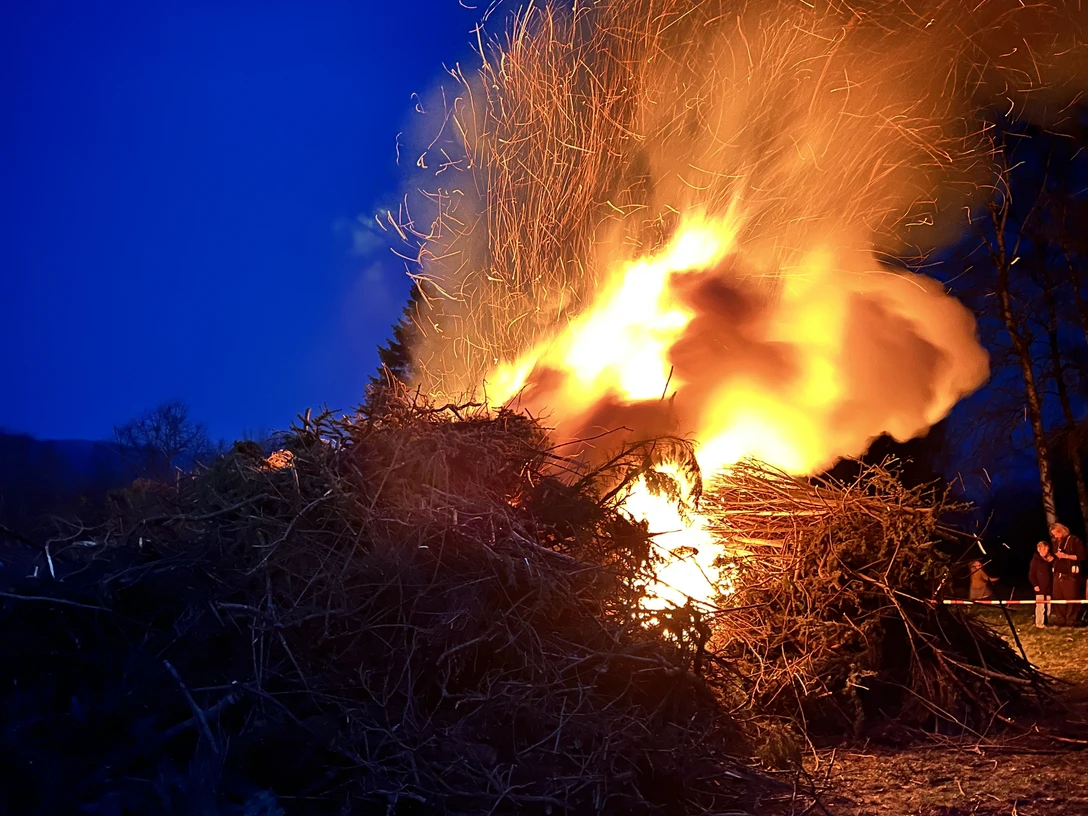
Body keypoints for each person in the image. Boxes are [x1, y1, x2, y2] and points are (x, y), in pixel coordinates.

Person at [1049, 522, 1085, 626]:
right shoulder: (1057, 542)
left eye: (1056, 533)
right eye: (1053, 534)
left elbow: (1081, 556)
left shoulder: (1074, 540)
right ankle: (1061, 620)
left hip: (1070, 575)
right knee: (1057, 597)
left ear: (1062, 531)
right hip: (1058, 574)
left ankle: (1071, 621)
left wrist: (1066, 556)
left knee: (1071, 598)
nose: (1055, 536)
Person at [1028, 540, 1054, 628]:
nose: (1046, 551)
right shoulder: (1035, 560)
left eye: (1047, 549)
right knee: (1040, 607)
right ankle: (1039, 623)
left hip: (1048, 588)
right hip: (1040, 588)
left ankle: (1046, 622)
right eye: (1044, 549)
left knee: (1048, 607)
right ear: (1039, 549)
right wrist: (1035, 585)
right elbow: (1031, 575)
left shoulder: (1049, 560)